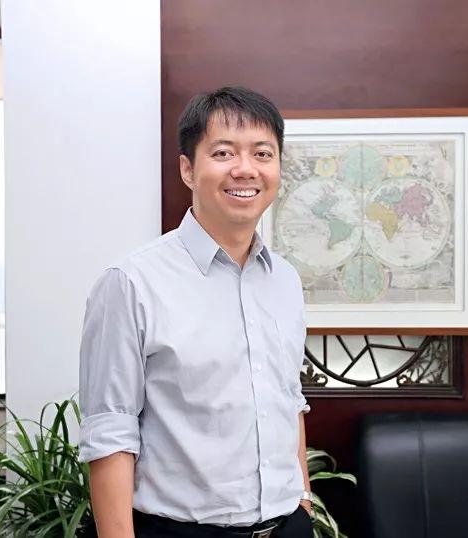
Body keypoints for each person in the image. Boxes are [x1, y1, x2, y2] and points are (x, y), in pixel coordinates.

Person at [78, 86, 314, 538]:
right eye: (223, 152)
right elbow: (110, 431)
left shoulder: (285, 280)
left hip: (287, 526)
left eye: (262, 153)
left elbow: (288, 399)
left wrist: (301, 499)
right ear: (188, 169)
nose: (245, 169)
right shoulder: (130, 283)